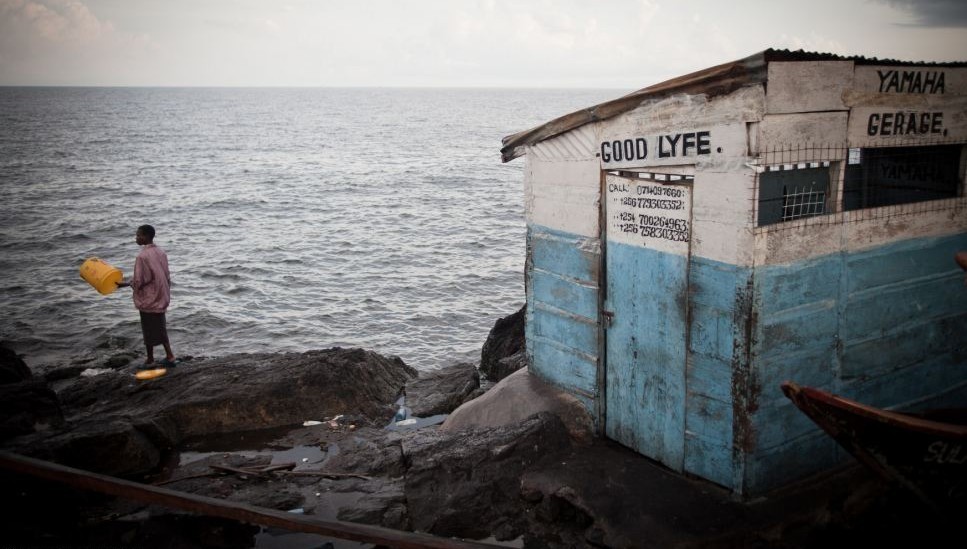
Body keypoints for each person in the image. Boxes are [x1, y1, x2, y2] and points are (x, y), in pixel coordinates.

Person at [117, 225, 177, 367]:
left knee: (148, 328)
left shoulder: (142, 256)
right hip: (161, 294)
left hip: (149, 298)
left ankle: (150, 359)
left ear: (146, 237)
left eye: (139, 235)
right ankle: (169, 355)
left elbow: (140, 280)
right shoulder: (160, 251)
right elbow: (167, 274)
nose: (136, 238)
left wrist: (125, 284)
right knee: (160, 327)